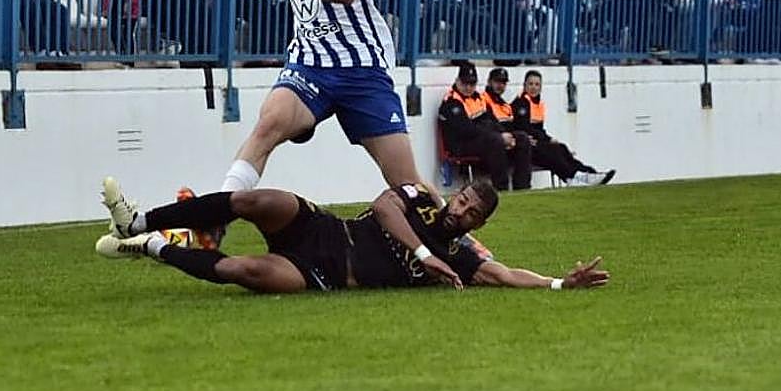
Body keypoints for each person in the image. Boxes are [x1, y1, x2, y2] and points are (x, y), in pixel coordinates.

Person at [218, 0, 420, 237]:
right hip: (310, 64)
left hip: (361, 67)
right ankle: (217, 217)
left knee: (408, 186)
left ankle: (465, 247)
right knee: (267, 125)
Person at [96, 176, 609, 294]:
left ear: (480, 223)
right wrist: (422, 252)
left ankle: (154, 248)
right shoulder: (423, 199)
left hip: (324, 274)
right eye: (463, 200)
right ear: (455, 196)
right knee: (258, 200)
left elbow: (503, 274)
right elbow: (386, 206)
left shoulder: (464, 256)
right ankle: (138, 222)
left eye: (472, 212)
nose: (462, 210)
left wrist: (559, 284)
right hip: (325, 229)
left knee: (242, 270)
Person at [438, 63, 533, 191]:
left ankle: (522, 188)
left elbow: (491, 120)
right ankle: (501, 188)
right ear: (457, 81)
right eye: (465, 83)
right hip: (461, 145)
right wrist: (499, 136)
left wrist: (506, 135)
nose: (468, 87)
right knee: (495, 140)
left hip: (482, 139)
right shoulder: (451, 102)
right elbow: (466, 130)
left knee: (522, 138)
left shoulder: (478, 98)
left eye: (472, 84)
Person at [512, 70, 615, 186]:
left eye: (537, 84)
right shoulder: (521, 103)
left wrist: (548, 138)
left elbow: (538, 129)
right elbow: (525, 128)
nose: (534, 88)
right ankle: (573, 177)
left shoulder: (537, 104)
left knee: (562, 148)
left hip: (537, 142)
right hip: (528, 146)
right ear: (524, 85)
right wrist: (547, 139)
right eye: (530, 84)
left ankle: (589, 173)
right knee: (554, 152)